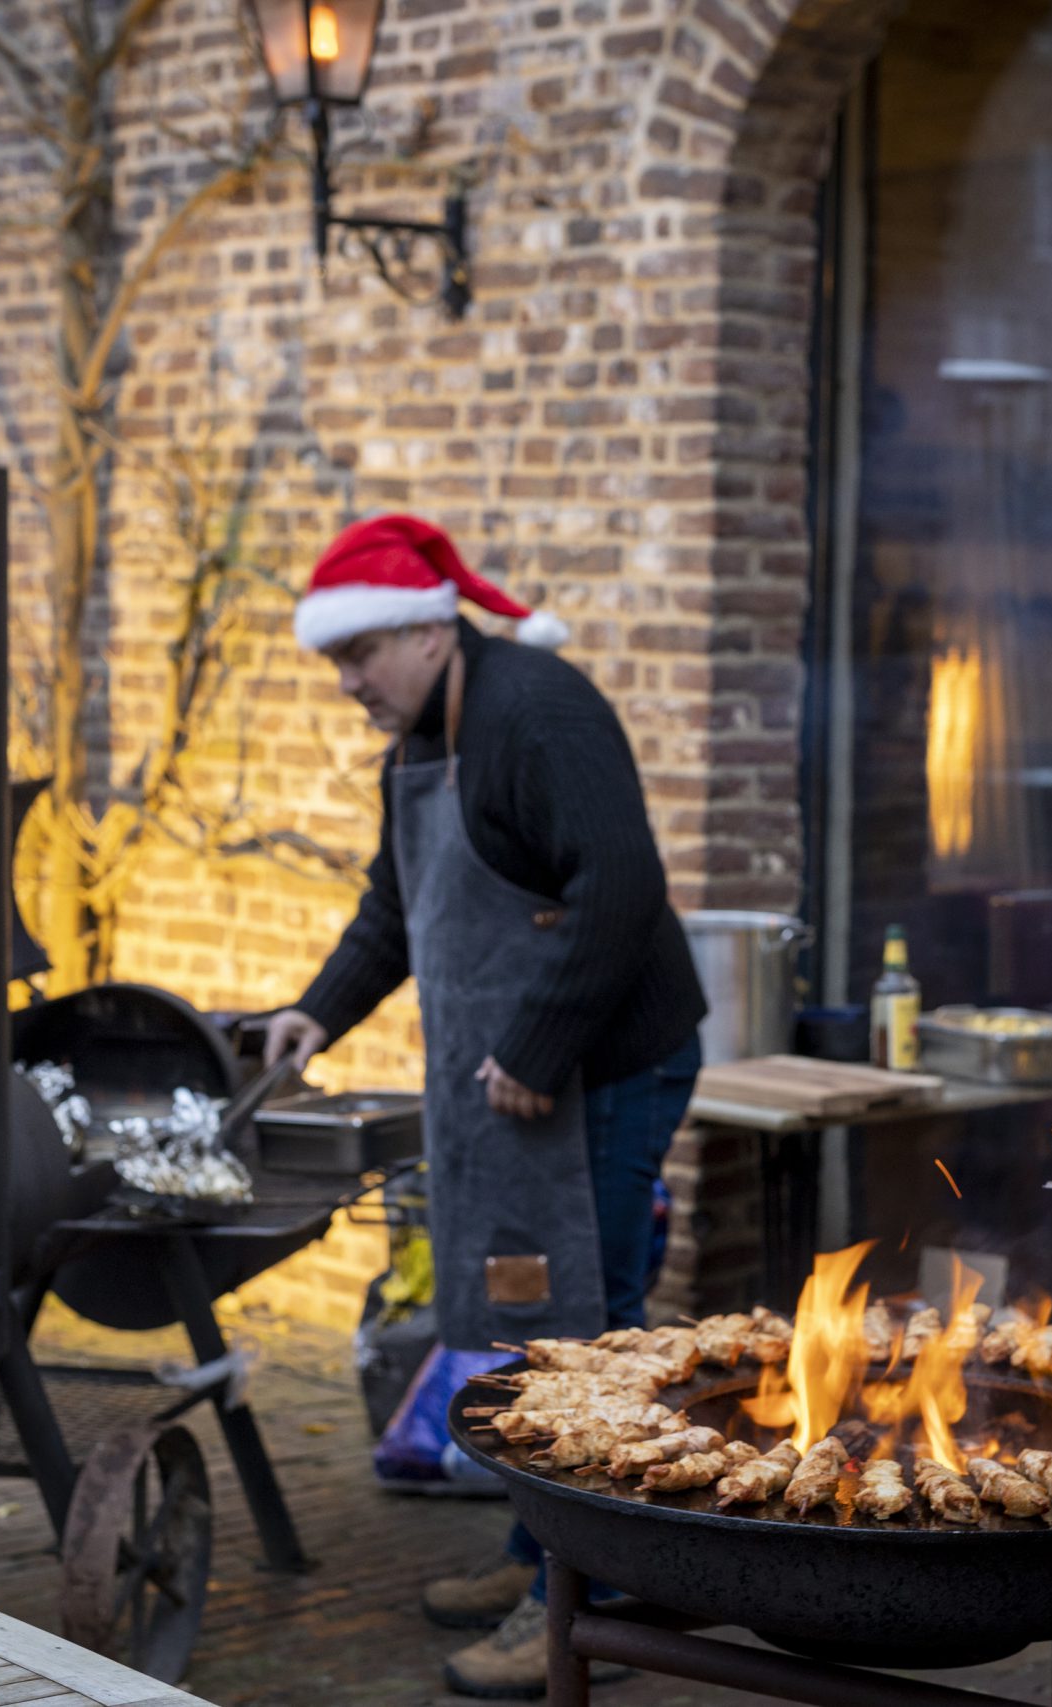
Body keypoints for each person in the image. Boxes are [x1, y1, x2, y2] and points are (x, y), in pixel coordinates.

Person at [264, 513, 707, 1699]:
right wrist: (316, 1014)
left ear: (421, 630)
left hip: (604, 1066)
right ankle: (542, 1557)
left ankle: (603, 1600)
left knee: (589, 1324)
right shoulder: (423, 731)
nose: (345, 683)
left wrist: (538, 1042)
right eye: (335, 662)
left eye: (356, 658)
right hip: (513, 1085)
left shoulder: (536, 710)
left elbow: (622, 885)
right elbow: (393, 909)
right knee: (533, 1324)